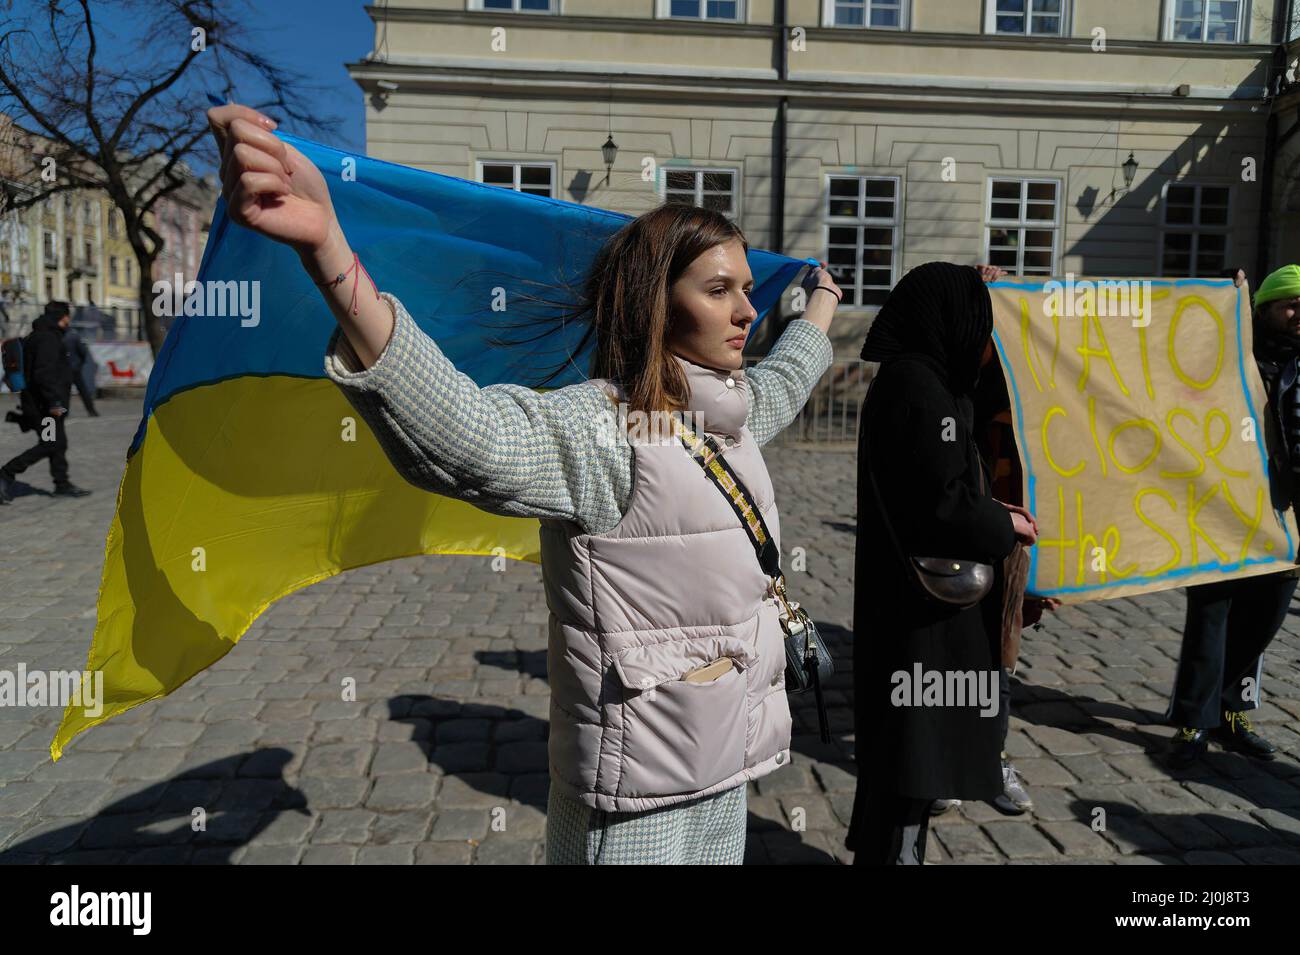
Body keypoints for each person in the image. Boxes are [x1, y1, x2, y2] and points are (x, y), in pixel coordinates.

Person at [206, 102, 838, 864]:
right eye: (719, 290)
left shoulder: (729, 417)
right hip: (637, 795)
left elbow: (788, 379)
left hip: (725, 767)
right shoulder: (606, 430)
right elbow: (467, 436)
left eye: (746, 289)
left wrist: (824, 300)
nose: (746, 311)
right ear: (657, 303)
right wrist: (329, 252)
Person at [847, 262, 1039, 864]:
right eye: (982, 323)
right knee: (914, 756)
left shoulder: (928, 379)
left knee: (907, 753)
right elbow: (939, 506)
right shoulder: (918, 386)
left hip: (914, 603)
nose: (986, 340)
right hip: (921, 614)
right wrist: (1000, 524)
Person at [1166, 264, 1300, 766]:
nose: (1298, 315)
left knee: (1265, 615)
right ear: (1263, 308)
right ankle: (1192, 720)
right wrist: (1221, 288)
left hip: (1283, 510)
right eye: (1290, 304)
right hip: (1220, 504)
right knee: (1212, 613)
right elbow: (1182, 338)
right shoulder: (1232, 353)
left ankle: (1232, 710)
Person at [0, 301, 93, 503]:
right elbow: (43, 374)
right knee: (50, 444)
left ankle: (62, 484)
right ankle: (5, 473)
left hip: (43, 403)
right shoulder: (47, 339)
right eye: (67, 316)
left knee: (57, 443)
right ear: (61, 317)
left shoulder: (41, 336)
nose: (69, 320)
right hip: (45, 405)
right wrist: (55, 402)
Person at [63, 321, 100, 417]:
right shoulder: (74, 336)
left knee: (65, 392)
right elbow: (83, 352)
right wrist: (80, 363)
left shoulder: (59, 337)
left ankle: (65, 412)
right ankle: (91, 410)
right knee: (83, 391)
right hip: (75, 368)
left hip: (65, 368)